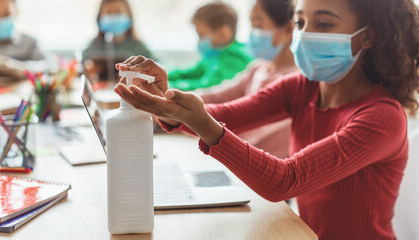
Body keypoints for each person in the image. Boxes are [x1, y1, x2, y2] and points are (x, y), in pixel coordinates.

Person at [115, 0, 419, 238]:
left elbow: (286, 180)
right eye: (300, 22)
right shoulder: (303, 87)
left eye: (324, 23)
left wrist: (199, 121)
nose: (305, 35)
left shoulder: (382, 117)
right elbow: (226, 115)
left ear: (367, 37)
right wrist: (166, 98)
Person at [199, 0, 297, 157]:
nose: (252, 34)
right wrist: (170, 99)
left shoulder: (295, 82)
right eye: (251, 25)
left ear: (287, 29)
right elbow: (218, 96)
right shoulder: (258, 68)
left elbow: (257, 136)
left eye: (258, 26)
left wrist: (191, 121)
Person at [168, 1, 253, 91]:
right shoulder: (213, 54)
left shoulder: (235, 58)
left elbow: (210, 87)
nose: (199, 40)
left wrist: (170, 86)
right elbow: (191, 73)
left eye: (202, 35)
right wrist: (164, 75)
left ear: (223, 33)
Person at [83, 0, 154, 82]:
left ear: (129, 15)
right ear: (99, 17)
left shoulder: (138, 47)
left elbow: (157, 67)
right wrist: (87, 69)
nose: (113, 17)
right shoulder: (93, 46)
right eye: (109, 13)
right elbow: (77, 66)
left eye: (118, 12)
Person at [0, 0, 46, 76]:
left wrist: (19, 66)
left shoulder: (29, 43)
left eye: (6, 14)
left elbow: (50, 65)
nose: (0, 20)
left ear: (16, 11)